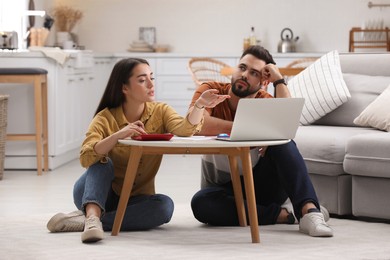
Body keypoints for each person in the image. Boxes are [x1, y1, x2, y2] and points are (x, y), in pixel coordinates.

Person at [46, 57, 230, 243]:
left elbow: (185, 129)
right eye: (142, 80)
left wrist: (199, 105)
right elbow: (86, 157)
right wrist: (117, 136)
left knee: (164, 206)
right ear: (124, 88)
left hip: (135, 200)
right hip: (95, 193)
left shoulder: (161, 111)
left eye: (152, 78)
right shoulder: (105, 118)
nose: (151, 84)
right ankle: (92, 217)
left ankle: (89, 221)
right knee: (102, 162)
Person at [189, 45, 333, 237]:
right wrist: (248, 129)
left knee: (283, 142)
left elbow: (287, 127)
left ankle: (310, 213)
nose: (245, 75)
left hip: (262, 186)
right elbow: (197, 124)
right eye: (242, 67)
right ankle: (284, 215)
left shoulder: (264, 99)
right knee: (201, 204)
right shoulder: (210, 90)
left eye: (254, 73)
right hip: (223, 189)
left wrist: (278, 79)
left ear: (264, 82)